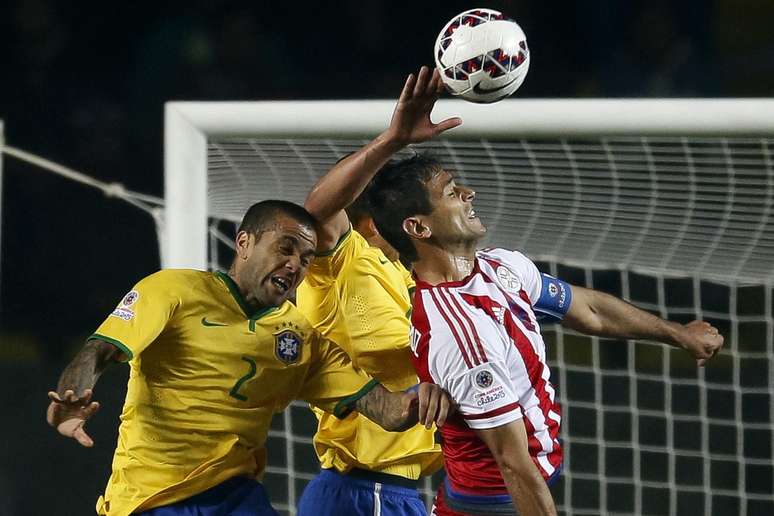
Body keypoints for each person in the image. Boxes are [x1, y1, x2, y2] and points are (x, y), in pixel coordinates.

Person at [367, 127, 725, 513]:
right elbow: (513, 465)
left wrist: (678, 333)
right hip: (495, 505)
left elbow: (588, 309)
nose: (470, 194)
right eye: (452, 192)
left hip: (519, 487)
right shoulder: (460, 333)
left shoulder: (501, 266)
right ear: (419, 227)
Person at [46, 200, 450, 516]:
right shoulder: (173, 290)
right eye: (285, 248)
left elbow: (388, 411)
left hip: (236, 497)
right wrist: (73, 395)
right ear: (243, 243)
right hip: (151, 497)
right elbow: (100, 350)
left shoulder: (302, 338)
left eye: (306, 259)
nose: (295, 264)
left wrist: (445, 393)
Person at [294, 66, 461, 516]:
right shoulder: (342, 263)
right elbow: (318, 212)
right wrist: (393, 141)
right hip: (359, 490)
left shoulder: (416, 283)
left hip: (397, 493)